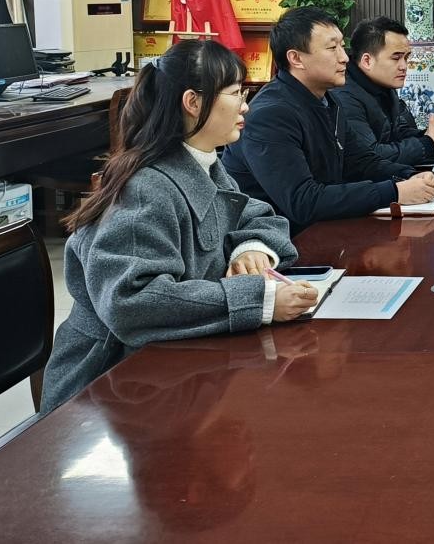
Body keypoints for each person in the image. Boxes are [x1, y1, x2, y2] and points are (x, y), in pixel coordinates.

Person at [41, 39, 318, 412]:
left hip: (169, 371)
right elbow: (132, 302)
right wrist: (261, 301)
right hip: (108, 390)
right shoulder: (146, 188)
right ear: (193, 102)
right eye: (236, 93)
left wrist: (250, 247)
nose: (245, 106)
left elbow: (257, 215)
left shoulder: (203, 163)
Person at [222, 7, 434, 235]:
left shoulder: (327, 99)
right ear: (296, 58)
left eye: (342, 47)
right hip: (274, 242)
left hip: (323, 231)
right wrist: (394, 192)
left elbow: (361, 162)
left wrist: (408, 175)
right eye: (332, 48)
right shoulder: (270, 115)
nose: (344, 57)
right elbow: (303, 202)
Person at [334, 16, 434, 167]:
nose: (404, 66)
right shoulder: (345, 96)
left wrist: (432, 136)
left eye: (406, 57)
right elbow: (369, 156)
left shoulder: (383, 84)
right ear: (367, 61)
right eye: (396, 58)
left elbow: (398, 132)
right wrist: (428, 145)